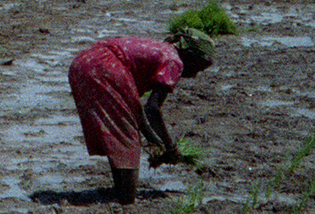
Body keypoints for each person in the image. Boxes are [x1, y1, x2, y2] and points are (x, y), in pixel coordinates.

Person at [68, 28, 214, 204]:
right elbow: (152, 109)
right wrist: (170, 148)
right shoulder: (174, 62)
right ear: (191, 56)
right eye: (199, 66)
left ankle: (119, 190)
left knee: (120, 130)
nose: (196, 74)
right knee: (126, 135)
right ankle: (127, 198)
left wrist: (155, 142)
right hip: (104, 67)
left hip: (83, 63)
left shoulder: (163, 50)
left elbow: (138, 112)